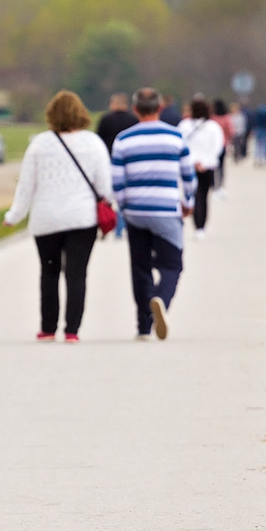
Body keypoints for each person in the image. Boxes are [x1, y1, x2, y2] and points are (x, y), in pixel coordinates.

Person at [4, 90, 111, 343]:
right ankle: (72, 330)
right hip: (82, 219)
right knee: (77, 274)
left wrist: (14, 215)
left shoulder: (39, 144)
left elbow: (26, 185)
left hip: (47, 219)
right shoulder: (93, 143)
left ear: (51, 114)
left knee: (49, 272)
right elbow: (105, 186)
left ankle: (48, 328)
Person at [110, 87, 196, 341]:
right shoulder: (176, 136)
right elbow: (188, 175)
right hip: (166, 210)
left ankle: (143, 326)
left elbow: (117, 180)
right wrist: (188, 201)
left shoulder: (123, 140)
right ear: (160, 108)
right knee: (172, 264)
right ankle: (161, 301)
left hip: (135, 211)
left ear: (135, 109)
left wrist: (124, 207)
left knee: (140, 267)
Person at [177, 97, 226, 239]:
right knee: (204, 196)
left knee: (194, 195)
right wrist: (205, 162)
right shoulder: (213, 127)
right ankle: (202, 225)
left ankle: (197, 224)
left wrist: (194, 161)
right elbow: (218, 146)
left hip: (190, 166)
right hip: (208, 166)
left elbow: (181, 145)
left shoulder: (184, 126)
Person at [95, 93, 138, 239]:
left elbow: (99, 141)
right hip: (128, 160)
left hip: (109, 160)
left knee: (109, 193)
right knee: (125, 193)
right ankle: (122, 226)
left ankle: (110, 222)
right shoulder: (133, 120)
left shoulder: (105, 119)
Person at [210, 98, 234, 198]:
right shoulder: (226, 118)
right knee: (221, 166)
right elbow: (231, 131)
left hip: (212, 145)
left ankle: (213, 186)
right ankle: (220, 186)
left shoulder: (212, 118)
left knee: (212, 166)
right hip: (223, 144)